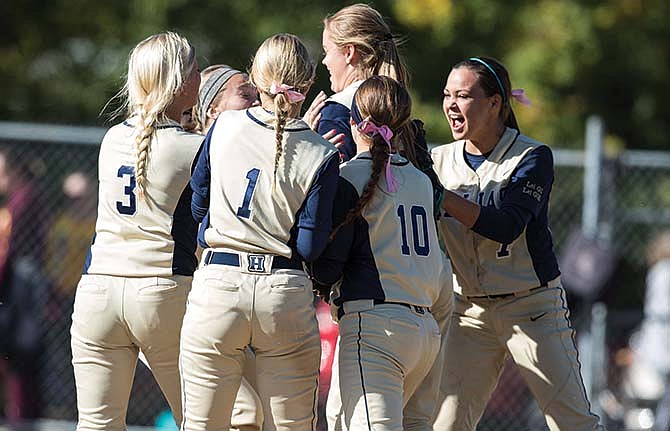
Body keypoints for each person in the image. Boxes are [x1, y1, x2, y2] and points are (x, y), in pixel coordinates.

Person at [431, 56, 603, 430]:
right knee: (445, 424)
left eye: (463, 95)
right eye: (447, 95)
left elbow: (507, 225)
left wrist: (441, 196)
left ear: (495, 103)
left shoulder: (532, 156)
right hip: (469, 311)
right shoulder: (438, 161)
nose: (451, 104)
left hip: (532, 306)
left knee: (572, 422)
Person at [179, 33, 340, 431]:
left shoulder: (226, 124)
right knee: (291, 425)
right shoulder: (321, 151)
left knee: (203, 424)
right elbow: (309, 244)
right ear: (307, 83)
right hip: (281, 289)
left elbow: (199, 205)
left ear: (256, 74)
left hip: (218, 281)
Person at [69, 31, 202, 430]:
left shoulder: (112, 139)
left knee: (97, 425)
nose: (200, 78)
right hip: (161, 291)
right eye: (195, 70)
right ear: (178, 82)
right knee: (210, 419)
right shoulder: (193, 147)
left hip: (97, 293)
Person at [308, 75, 448, 431]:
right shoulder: (420, 179)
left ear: (353, 122)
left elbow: (326, 265)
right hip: (424, 331)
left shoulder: (350, 176)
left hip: (377, 329)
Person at [304, 3, 409, 162]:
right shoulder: (398, 103)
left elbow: (325, 185)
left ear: (348, 52)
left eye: (327, 51)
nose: (324, 61)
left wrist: (303, 144)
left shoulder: (334, 114)